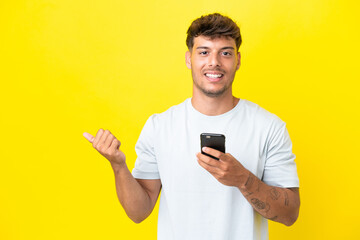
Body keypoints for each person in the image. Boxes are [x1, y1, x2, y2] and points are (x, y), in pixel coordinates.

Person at [83, 13, 300, 240]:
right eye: (204, 52)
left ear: (238, 60)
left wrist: (243, 179)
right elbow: (138, 212)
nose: (214, 62)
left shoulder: (269, 127)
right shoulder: (160, 127)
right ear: (189, 59)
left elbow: (290, 214)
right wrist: (119, 166)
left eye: (225, 53)